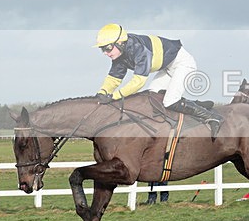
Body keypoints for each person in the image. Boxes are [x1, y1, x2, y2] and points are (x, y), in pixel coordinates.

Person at [93, 24, 222, 138]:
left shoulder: (139, 49)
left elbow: (138, 81)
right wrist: (103, 92)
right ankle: (195, 104)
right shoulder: (121, 53)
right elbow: (114, 77)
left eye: (108, 48)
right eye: (103, 49)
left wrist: (114, 96)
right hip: (167, 67)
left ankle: (212, 117)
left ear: (120, 42)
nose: (105, 52)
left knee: (170, 101)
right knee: (152, 97)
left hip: (182, 64)